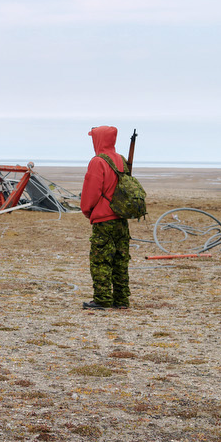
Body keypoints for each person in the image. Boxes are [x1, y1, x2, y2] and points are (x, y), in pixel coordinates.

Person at [78, 125, 138, 309]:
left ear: (98, 140)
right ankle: (121, 300)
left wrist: (88, 211)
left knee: (101, 259)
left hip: (104, 219)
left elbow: (91, 192)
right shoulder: (120, 159)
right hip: (121, 218)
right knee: (120, 259)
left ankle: (103, 299)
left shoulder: (98, 161)